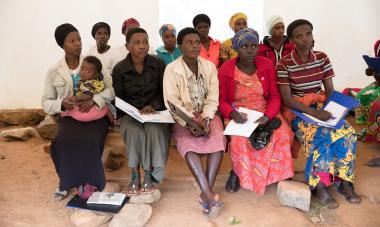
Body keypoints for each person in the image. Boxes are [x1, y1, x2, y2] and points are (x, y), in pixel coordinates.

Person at [277, 19, 361, 208]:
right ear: (292, 40)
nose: (305, 39)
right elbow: (287, 99)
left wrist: (335, 111)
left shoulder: (322, 58)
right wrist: (314, 114)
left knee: (347, 132)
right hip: (299, 112)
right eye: (299, 36)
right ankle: (320, 184)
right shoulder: (284, 64)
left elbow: (330, 91)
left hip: (322, 108)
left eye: (308, 34)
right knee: (321, 136)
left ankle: (343, 181)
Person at [42, 23, 115, 201]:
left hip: (96, 114)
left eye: (79, 39)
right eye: (72, 41)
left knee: (90, 140)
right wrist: (61, 103)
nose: (78, 43)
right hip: (71, 115)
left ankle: (89, 184)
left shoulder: (93, 63)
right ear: (62, 45)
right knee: (62, 141)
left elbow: (111, 91)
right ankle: (66, 182)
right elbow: (46, 102)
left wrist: (94, 100)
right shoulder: (53, 71)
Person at [218, 28, 294, 195]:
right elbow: (222, 100)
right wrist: (232, 114)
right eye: (244, 46)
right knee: (239, 139)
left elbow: (274, 97)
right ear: (236, 49)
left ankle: (277, 173)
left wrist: (268, 116)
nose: (250, 50)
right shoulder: (226, 69)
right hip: (238, 112)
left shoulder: (266, 65)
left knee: (282, 134)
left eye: (253, 45)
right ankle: (238, 172)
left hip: (264, 109)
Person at [163, 27, 226, 218]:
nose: (194, 46)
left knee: (217, 141)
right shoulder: (171, 69)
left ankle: (205, 193)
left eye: (197, 42)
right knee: (188, 145)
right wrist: (191, 124)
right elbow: (172, 102)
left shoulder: (209, 67)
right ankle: (209, 195)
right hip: (184, 118)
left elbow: (213, 97)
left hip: (206, 114)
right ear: (180, 46)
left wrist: (206, 119)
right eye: (189, 42)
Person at [112, 28, 170, 194]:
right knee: (134, 129)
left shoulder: (158, 64)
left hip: (155, 112)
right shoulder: (119, 69)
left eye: (145, 42)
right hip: (130, 114)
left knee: (154, 129)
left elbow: (164, 91)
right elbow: (119, 97)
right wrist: (133, 111)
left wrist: (153, 105)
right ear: (127, 46)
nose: (142, 46)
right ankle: (135, 173)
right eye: (136, 43)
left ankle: (149, 173)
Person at [61, 55, 113, 122]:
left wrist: (76, 98)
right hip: (87, 103)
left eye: (88, 72)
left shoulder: (92, 83)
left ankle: (68, 114)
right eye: (82, 69)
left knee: (82, 113)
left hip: (95, 104)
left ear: (96, 75)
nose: (82, 72)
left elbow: (88, 96)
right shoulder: (83, 81)